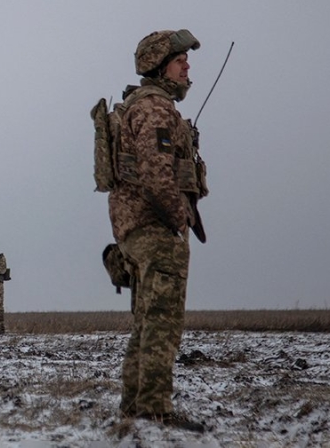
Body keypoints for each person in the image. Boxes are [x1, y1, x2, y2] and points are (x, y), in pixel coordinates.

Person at [108, 29, 208, 431]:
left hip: (138, 228)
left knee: (148, 320)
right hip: (154, 228)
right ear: (158, 64)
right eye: (180, 60)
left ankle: (135, 405)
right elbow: (155, 174)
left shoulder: (144, 106)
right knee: (163, 322)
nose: (187, 66)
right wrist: (177, 218)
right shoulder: (154, 109)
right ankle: (153, 408)